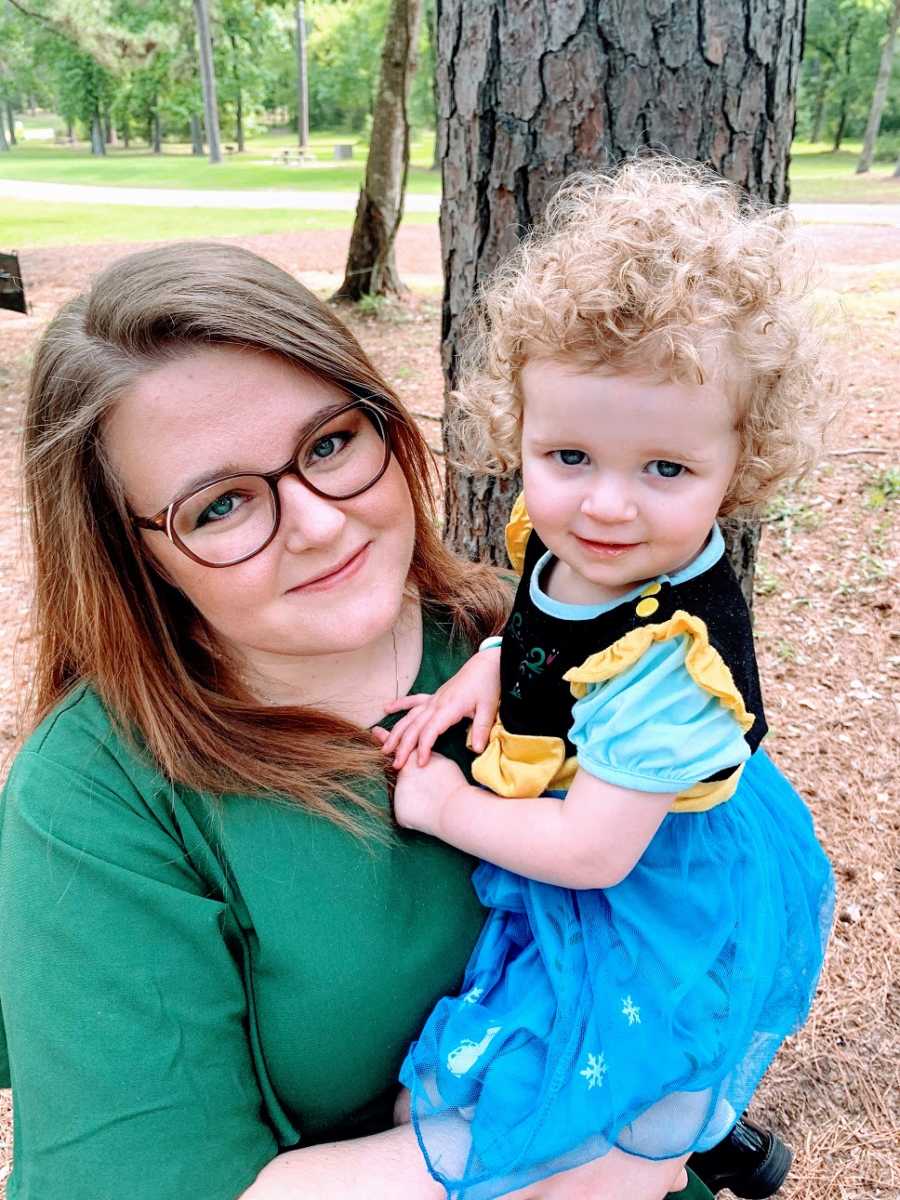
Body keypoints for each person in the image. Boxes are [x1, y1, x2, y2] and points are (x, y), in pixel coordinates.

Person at [0, 240, 744, 1200]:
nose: (316, 521)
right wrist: (565, 1142)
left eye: (329, 444)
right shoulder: (99, 797)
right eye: (221, 504)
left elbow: (707, 899)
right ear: (134, 555)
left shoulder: (526, 638)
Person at [378, 159, 836, 1200]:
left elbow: (589, 853)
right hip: (618, 804)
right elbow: (555, 625)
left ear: (739, 464)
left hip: (651, 873)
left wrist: (446, 802)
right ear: (524, 428)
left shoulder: (669, 667)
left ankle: (668, 1130)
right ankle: (701, 1125)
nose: (608, 506)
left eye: (665, 470)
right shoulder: (574, 538)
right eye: (570, 454)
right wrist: (497, 665)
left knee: (572, 1105)